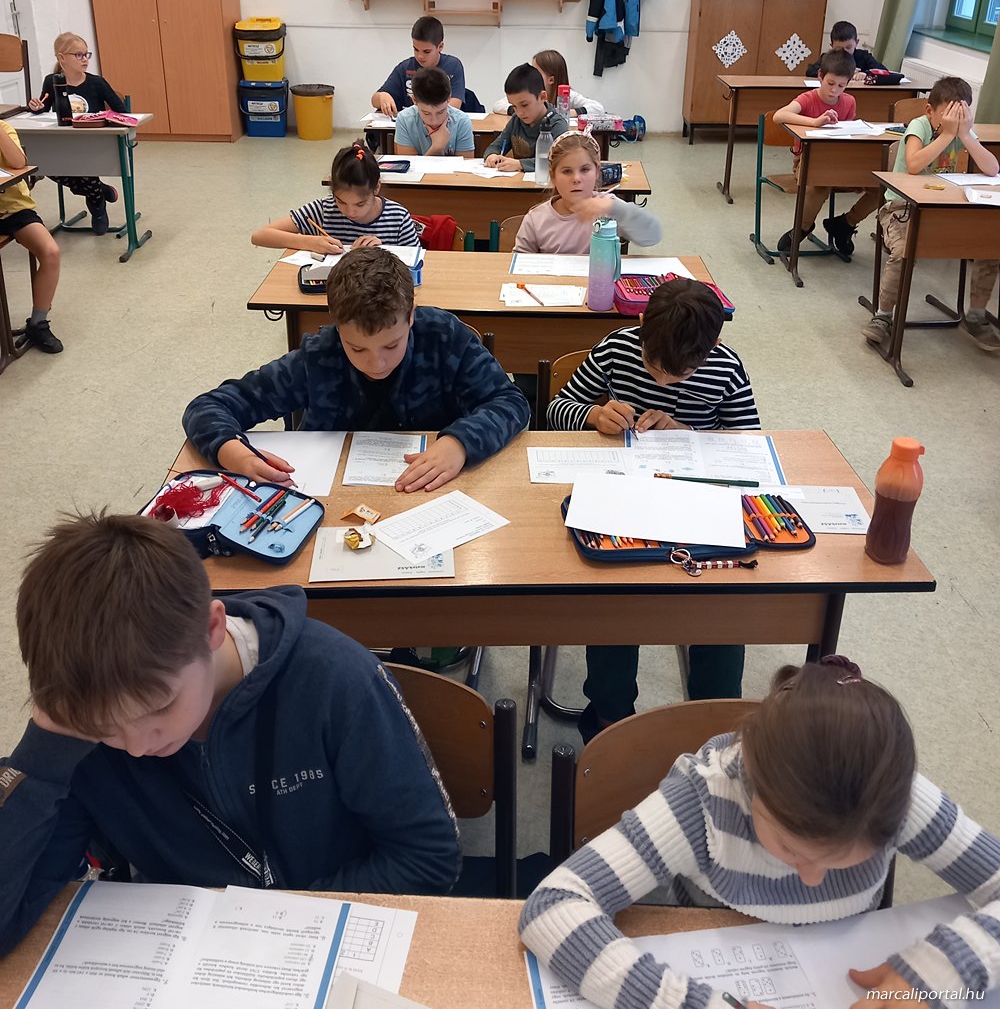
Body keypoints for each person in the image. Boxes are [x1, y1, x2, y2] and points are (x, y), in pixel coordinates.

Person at [0, 511, 461, 955]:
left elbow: (427, 859)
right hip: (177, 955)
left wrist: (276, 926)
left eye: (160, 707)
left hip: (329, 942)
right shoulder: (78, 730)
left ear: (213, 628)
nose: (137, 747)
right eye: (106, 730)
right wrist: (43, 750)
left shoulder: (336, 682)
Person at [521, 656, 1000, 1009]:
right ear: (751, 774)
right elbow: (553, 905)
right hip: (714, 969)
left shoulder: (895, 797)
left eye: (842, 861)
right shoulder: (703, 802)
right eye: (791, 848)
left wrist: (942, 970)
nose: (812, 880)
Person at [546, 278, 758, 740]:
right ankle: (609, 721)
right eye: (654, 366)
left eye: (680, 375)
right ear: (640, 324)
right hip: (621, 504)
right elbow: (555, 409)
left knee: (722, 610)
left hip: (697, 512)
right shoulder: (617, 349)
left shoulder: (725, 368)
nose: (664, 380)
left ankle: (715, 727)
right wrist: (594, 415)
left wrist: (687, 434)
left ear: (713, 345)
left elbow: (748, 447)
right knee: (614, 603)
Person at [184, 247, 530, 493]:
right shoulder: (319, 357)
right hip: (331, 499)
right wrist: (236, 455)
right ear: (337, 327)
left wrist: (459, 444)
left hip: (432, 492)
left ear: (411, 316)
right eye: (357, 348)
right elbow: (207, 407)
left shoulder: (443, 337)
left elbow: (510, 402)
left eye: (391, 345)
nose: (376, 363)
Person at [863, 76, 1000, 353]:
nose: (955, 121)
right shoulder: (920, 125)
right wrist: (947, 134)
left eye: (961, 114)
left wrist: (965, 134)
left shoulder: (964, 132)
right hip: (901, 209)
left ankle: (976, 315)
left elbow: (992, 168)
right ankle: (883, 315)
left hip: (946, 211)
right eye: (949, 114)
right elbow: (914, 165)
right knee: (903, 250)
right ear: (930, 110)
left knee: (990, 245)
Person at [774, 49, 879, 259]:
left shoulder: (849, 102)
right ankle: (803, 227)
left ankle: (845, 223)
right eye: (830, 83)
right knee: (818, 185)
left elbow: (848, 133)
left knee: (881, 188)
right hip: (808, 162)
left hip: (842, 163)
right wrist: (814, 122)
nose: (834, 90)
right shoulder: (808, 99)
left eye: (841, 86)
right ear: (821, 76)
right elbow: (779, 116)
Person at [27, 32, 124, 234]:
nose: (85, 59)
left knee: (85, 168)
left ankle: (97, 207)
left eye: (86, 54)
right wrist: (36, 107)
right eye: (78, 55)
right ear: (61, 58)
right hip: (63, 143)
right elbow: (44, 109)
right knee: (43, 165)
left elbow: (121, 111)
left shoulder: (97, 83)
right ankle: (99, 190)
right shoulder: (52, 81)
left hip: (93, 144)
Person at [251, 141, 419, 256]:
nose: (350, 212)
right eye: (341, 201)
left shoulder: (398, 217)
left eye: (360, 204)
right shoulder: (324, 210)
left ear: (376, 188)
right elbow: (259, 236)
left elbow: (418, 263)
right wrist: (310, 242)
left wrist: (383, 253)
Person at [514, 131, 660, 254]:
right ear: (553, 176)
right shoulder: (536, 219)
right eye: (567, 171)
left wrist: (614, 208)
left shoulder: (608, 208)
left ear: (597, 172)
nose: (576, 179)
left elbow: (652, 235)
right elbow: (519, 263)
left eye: (584, 169)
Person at [0, 121, 63, 353]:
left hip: (13, 209)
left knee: (50, 252)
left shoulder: (4, 129)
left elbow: (18, 163)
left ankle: (38, 324)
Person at [371, 16, 465, 117]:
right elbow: (374, 100)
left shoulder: (453, 66)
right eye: (416, 49)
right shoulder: (405, 68)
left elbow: (455, 105)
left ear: (440, 47)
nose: (420, 56)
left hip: (440, 121)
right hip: (410, 123)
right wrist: (382, 96)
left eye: (426, 51)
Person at [483, 63, 568, 172]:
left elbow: (557, 160)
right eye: (514, 106)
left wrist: (520, 164)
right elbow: (495, 146)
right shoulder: (516, 120)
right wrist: (492, 155)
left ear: (542, 97)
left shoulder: (557, 124)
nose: (519, 113)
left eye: (524, 105)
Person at [491, 49, 606, 119]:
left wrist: (571, 112)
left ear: (551, 80)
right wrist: (518, 110)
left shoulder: (568, 96)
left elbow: (598, 108)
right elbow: (498, 105)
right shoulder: (529, 92)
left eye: (536, 71)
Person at [393, 66, 474, 158]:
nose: (434, 121)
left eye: (440, 112)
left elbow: (465, 165)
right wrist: (436, 148)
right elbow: (409, 165)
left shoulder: (462, 121)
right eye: (426, 113)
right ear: (414, 100)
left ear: (449, 98)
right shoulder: (404, 120)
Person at [805, 20, 887, 78]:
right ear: (832, 46)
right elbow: (810, 71)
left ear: (856, 42)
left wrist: (866, 74)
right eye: (839, 48)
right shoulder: (828, 57)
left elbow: (884, 71)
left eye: (848, 47)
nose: (844, 51)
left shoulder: (863, 56)